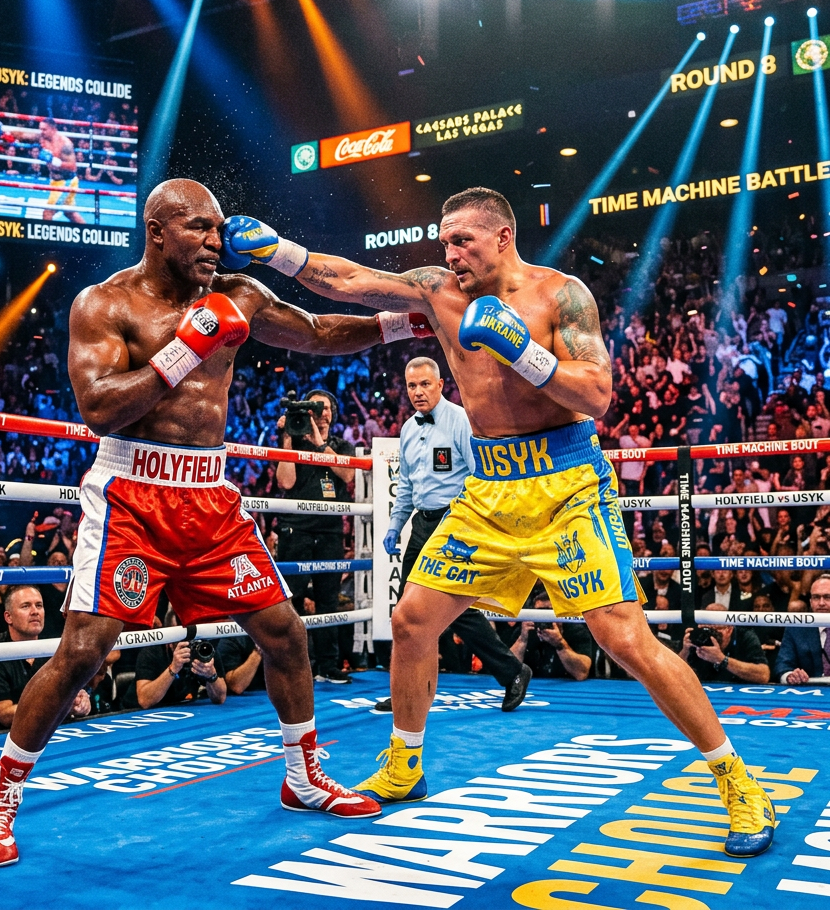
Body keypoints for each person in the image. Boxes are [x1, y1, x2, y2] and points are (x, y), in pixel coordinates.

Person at [223, 185, 776, 857]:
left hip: (568, 483)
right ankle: (405, 761)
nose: (450, 253)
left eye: (464, 240)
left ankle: (738, 780)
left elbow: (597, 395)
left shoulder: (560, 295)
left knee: (623, 639)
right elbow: (352, 281)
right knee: (411, 620)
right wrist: (280, 254)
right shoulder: (435, 290)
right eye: (445, 240)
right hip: (490, 487)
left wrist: (524, 351)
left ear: (503, 237)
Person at [0, 179, 434, 867]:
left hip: (209, 495)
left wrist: (405, 324)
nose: (217, 242)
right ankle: (0, 798)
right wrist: (187, 345)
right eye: (198, 229)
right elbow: (99, 408)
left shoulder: (239, 293)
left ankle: (302, 778)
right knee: (84, 652)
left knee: (286, 634)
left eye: (220, 229)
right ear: (157, 231)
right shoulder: (106, 304)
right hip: (131, 492)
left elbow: (315, 333)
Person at [378, 355, 531, 711]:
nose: (418, 392)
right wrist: (395, 525)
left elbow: (481, 473)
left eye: (425, 384)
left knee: (451, 609)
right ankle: (409, 689)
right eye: (412, 386)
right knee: (407, 614)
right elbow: (405, 486)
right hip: (421, 524)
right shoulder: (407, 429)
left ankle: (511, 673)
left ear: (440, 385)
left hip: (453, 523)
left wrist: (470, 522)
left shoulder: (460, 419)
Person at [275, 389, 356, 683]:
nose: (320, 413)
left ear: (332, 414)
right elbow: (286, 482)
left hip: (329, 529)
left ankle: (328, 664)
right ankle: (294, 665)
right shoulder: (291, 442)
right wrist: (287, 437)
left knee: (327, 600)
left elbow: (347, 476)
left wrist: (320, 444)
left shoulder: (341, 446)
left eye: (325, 409)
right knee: (291, 598)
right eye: (314, 408)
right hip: (296, 528)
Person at [0, 585, 89, 733]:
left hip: (53, 734)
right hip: (0, 740)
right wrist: (62, 705)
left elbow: (76, 693)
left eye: (39, 605)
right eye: (26, 606)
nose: (35, 612)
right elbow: (5, 714)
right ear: (8, 617)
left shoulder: (55, 648)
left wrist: (81, 702)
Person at [506, 591, 593, 681]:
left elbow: (581, 673)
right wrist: (522, 640)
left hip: (567, 686)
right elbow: (507, 669)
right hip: (532, 686)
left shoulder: (576, 631)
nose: (545, 617)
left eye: (549, 611)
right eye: (540, 612)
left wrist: (560, 644)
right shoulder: (525, 631)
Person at [123, 638, 226, 708]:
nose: (189, 648)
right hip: (136, 712)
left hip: (181, 708)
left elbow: (220, 698)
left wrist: (211, 675)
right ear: (170, 643)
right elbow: (145, 701)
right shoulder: (152, 651)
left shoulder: (203, 648)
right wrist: (173, 668)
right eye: (183, 643)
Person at [679, 607, 771, 684]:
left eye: (716, 628)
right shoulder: (695, 638)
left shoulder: (745, 637)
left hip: (738, 695)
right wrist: (685, 650)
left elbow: (763, 675)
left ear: (729, 629)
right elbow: (672, 674)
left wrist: (722, 660)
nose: (711, 634)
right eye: (707, 628)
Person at [774, 573, 830, 683]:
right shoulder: (796, 628)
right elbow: (782, 664)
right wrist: (790, 675)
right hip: (808, 691)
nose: (821, 603)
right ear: (810, 602)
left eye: (827, 597)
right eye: (816, 597)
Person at [32, 118, 86, 225]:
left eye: (44, 129)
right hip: (56, 181)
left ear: (53, 129)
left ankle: (46, 241)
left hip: (66, 182)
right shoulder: (43, 138)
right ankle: (89, 234)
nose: (41, 132)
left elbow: (73, 167)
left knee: (47, 213)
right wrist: (6, 133)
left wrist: (54, 161)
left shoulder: (65, 144)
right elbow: (25, 135)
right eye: (40, 129)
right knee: (70, 213)